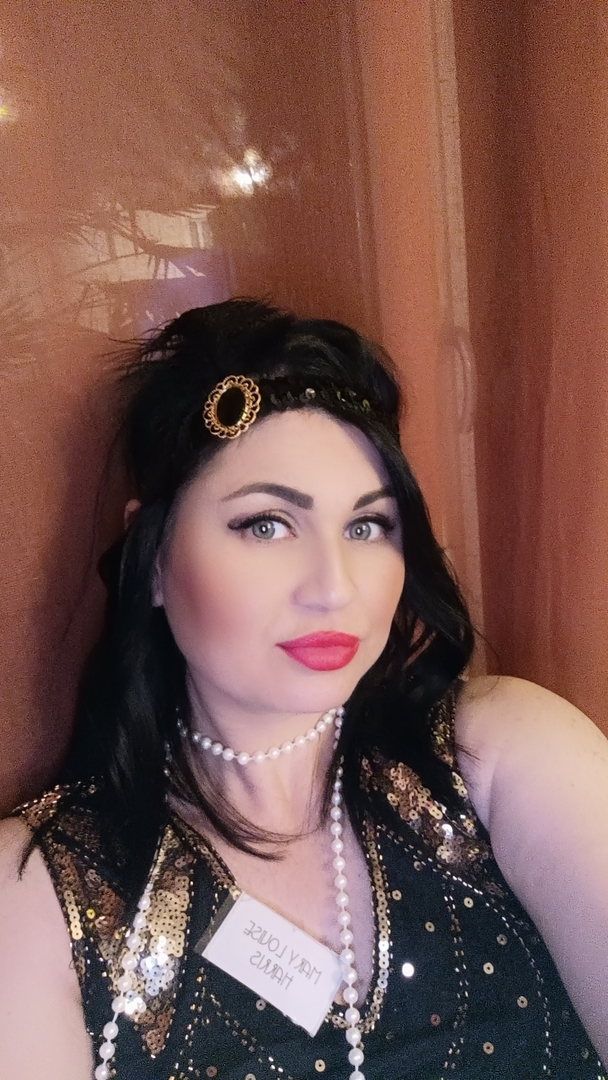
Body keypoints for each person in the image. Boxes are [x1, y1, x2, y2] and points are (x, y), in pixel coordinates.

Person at [0, 299, 607, 1080]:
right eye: (266, 524)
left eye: (367, 526)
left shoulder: (500, 755)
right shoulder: (35, 889)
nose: (335, 587)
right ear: (152, 557)